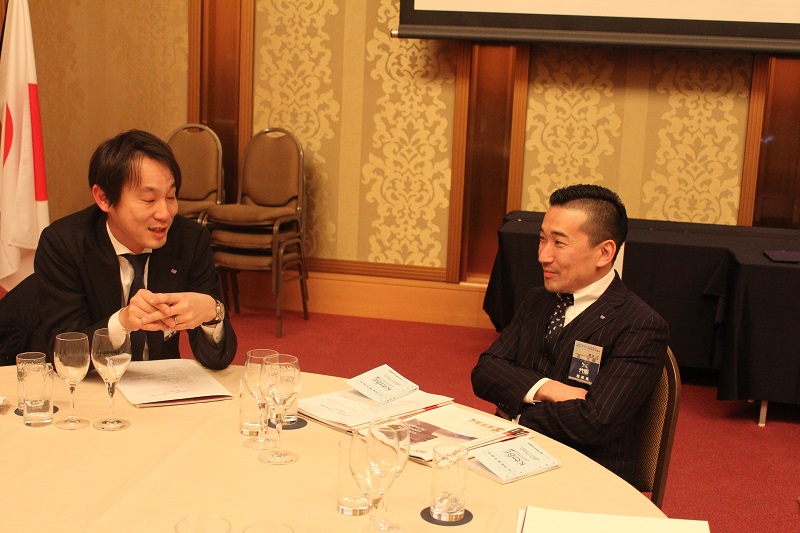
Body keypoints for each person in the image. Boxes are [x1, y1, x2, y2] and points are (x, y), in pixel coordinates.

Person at [471, 184, 668, 485]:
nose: (543, 256)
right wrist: (548, 388)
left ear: (604, 252)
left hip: (588, 475)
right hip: (511, 458)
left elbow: (596, 421)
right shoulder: (538, 299)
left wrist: (516, 415)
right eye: (542, 239)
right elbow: (485, 371)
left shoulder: (640, 324)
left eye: (559, 243)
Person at [31, 129, 236, 369]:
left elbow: (217, 359)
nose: (165, 214)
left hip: (161, 385)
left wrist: (213, 313)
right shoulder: (64, 244)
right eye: (149, 200)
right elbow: (65, 353)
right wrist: (122, 323)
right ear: (104, 198)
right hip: (94, 385)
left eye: (171, 197)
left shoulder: (190, 239)